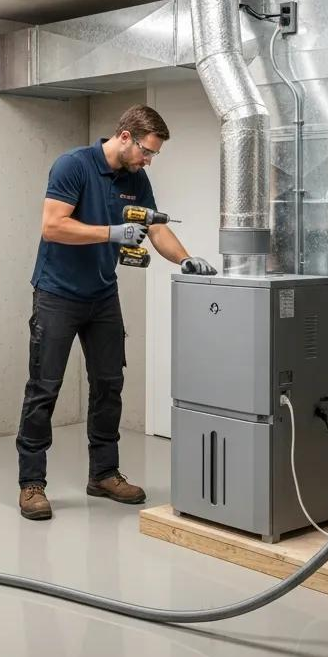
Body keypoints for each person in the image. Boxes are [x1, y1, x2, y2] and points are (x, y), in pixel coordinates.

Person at [16, 104, 217, 520]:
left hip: (103, 296)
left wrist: (185, 259)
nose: (149, 160)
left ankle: (104, 474)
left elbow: (156, 226)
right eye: (147, 150)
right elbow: (53, 226)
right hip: (56, 294)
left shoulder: (135, 178)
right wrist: (111, 232)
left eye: (153, 155)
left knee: (109, 385)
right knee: (44, 389)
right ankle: (32, 483)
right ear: (125, 136)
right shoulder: (73, 165)